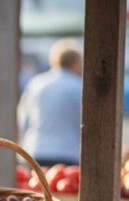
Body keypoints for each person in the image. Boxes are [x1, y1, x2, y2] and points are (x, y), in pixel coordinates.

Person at [18, 39, 83, 167]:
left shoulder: (36, 83)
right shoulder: (79, 86)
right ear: (75, 63)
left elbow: (23, 120)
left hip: (35, 152)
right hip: (68, 154)